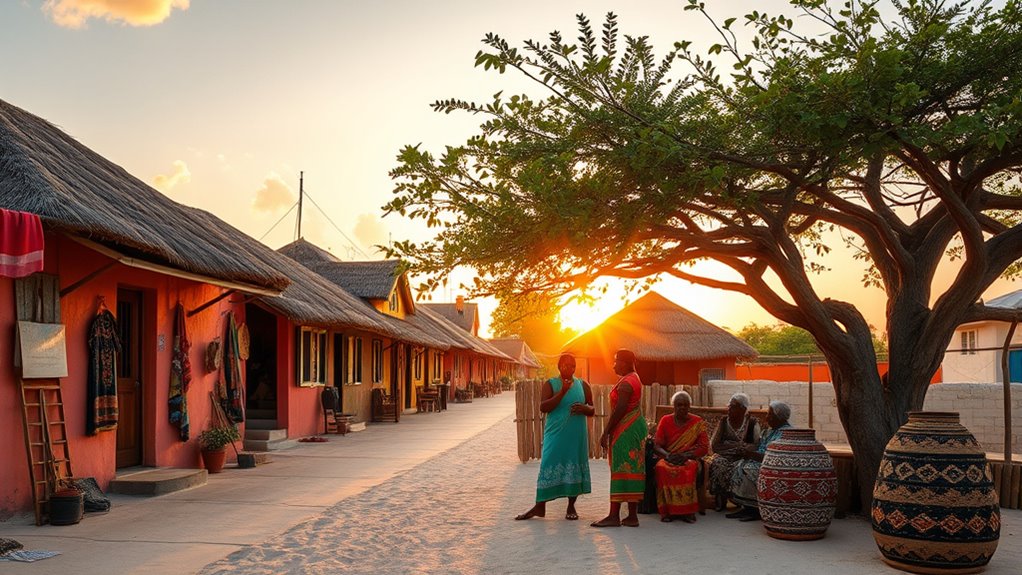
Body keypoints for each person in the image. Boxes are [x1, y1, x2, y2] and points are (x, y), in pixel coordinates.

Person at [515, 353, 595, 521]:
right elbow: (544, 407)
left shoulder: (583, 385)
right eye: (565, 365)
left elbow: (592, 409)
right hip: (556, 433)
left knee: (573, 464)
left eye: (572, 365)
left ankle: (571, 505)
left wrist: (584, 409)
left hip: (576, 434)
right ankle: (540, 506)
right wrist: (563, 392)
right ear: (559, 367)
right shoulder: (551, 384)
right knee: (548, 462)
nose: (569, 369)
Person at [592, 349, 648, 528]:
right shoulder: (634, 378)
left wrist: (606, 431)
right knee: (632, 468)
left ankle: (613, 516)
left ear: (624, 362)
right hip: (634, 427)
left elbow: (620, 408)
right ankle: (632, 516)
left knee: (620, 468)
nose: (614, 365)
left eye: (616, 361)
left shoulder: (627, 382)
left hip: (626, 430)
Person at [727, 400, 793, 522]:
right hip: (761, 461)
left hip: (774, 466)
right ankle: (745, 507)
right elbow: (759, 446)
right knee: (738, 465)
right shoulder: (770, 431)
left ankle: (755, 509)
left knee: (748, 469)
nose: (767, 417)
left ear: (778, 417)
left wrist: (751, 455)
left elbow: (773, 456)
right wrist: (747, 450)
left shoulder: (785, 433)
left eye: (769, 414)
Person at [652, 391, 709, 523]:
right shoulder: (665, 420)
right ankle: (666, 511)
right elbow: (657, 445)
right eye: (679, 405)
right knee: (661, 468)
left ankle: (687, 512)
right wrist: (668, 456)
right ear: (674, 407)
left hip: (689, 458)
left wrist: (685, 456)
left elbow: (704, 447)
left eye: (685, 405)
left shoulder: (697, 422)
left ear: (689, 407)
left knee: (688, 469)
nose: (682, 407)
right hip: (669, 457)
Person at [706, 392, 761, 511]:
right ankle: (720, 499)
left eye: (733, 407)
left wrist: (744, 448)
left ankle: (739, 500)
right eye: (729, 406)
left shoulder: (752, 423)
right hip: (724, 456)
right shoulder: (724, 421)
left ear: (743, 409)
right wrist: (736, 446)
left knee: (744, 468)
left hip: (743, 457)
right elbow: (714, 445)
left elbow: (757, 445)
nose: (729, 409)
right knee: (719, 464)